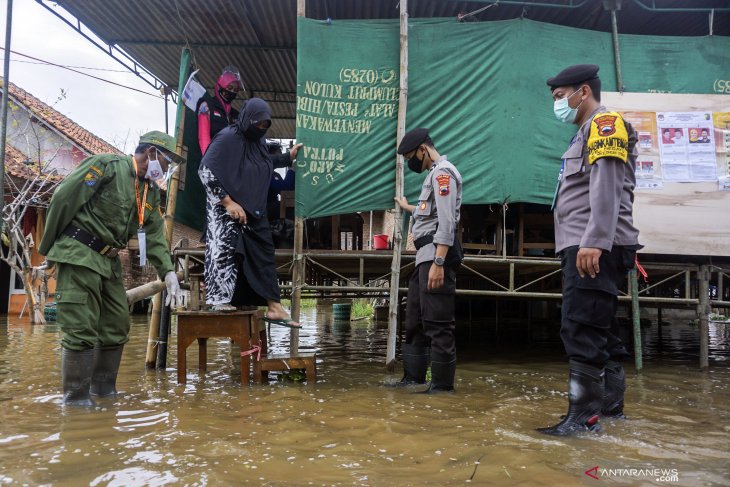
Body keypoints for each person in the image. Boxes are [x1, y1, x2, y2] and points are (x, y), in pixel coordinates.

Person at [39, 131, 185, 406]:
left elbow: (153, 234)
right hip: (79, 253)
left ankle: (104, 394)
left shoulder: (149, 191)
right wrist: (48, 249)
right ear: (151, 153)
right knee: (80, 328)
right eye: (165, 163)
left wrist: (167, 271)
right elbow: (63, 199)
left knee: (117, 323)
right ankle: (76, 401)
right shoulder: (106, 166)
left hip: (109, 262)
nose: (165, 170)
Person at [540, 64, 641, 436]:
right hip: (587, 243)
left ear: (583, 92)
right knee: (599, 328)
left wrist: (595, 241)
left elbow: (607, 183)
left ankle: (582, 421)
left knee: (580, 326)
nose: (557, 104)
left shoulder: (603, 123)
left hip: (591, 245)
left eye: (559, 96)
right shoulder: (584, 131)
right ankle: (610, 411)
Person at [198, 97, 303, 326]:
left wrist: (288, 158)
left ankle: (274, 307)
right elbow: (205, 170)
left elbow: (265, 161)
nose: (261, 130)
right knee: (226, 250)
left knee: (264, 252)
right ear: (247, 119)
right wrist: (227, 202)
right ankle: (219, 300)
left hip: (253, 209)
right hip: (225, 207)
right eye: (258, 125)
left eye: (265, 126)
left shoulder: (258, 143)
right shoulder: (228, 138)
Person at [393, 128, 463, 393]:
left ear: (424, 149)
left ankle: (442, 388)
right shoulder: (433, 175)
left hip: (437, 253)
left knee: (437, 321)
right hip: (425, 255)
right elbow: (429, 212)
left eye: (412, 156)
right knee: (415, 319)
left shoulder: (443, 174)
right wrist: (408, 207)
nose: (412, 162)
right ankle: (413, 379)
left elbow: (446, 221)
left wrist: (439, 262)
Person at [197, 66, 243, 155]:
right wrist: (208, 162)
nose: (232, 92)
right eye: (229, 88)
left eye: (235, 90)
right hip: (212, 160)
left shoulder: (236, 115)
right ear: (221, 86)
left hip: (231, 162)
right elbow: (203, 137)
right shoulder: (207, 106)